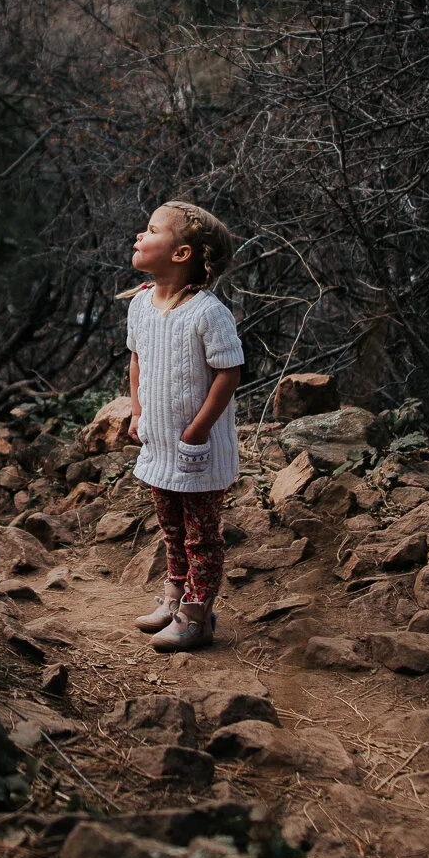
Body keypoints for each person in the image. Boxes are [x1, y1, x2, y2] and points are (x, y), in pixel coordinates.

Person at [124, 201, 243, 652]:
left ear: (180, 254)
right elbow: (137, 360)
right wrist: (138, 412)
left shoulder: (207, 312)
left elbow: (229, 372)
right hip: (159, 443)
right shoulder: (140, 304)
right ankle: (175, 596)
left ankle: (197, 614)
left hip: (198, 448)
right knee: (172, 529)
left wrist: (197, 430)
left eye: (151, 229)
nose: (140, 236)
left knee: (201, 537)